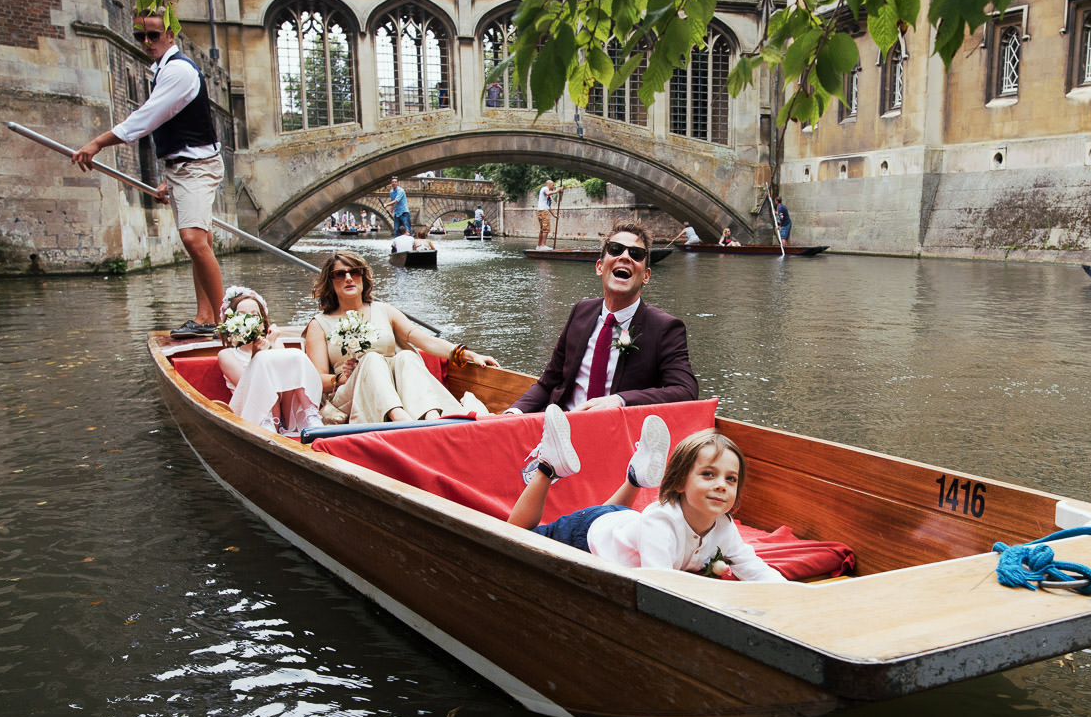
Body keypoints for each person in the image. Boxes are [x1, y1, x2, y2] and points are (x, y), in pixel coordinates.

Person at [73, 11, 224, 339]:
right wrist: (170, 180)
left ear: (170, 34)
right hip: (184, 168)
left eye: (153, 35)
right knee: (201, 242)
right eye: (141, 36)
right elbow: (177, 128)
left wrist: (97, 143)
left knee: (194, 240)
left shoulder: (179, 71)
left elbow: (145, 119)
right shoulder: (164, 71)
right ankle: (206, 317)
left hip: (197, 168)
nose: (146, 42)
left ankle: (227, 325)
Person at [508, 407, 786, 581]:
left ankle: (635, 476)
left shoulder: (723, 526)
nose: (722, 485)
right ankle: (548, 465)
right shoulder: (661, 522)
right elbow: (660, 585)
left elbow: (753, 567)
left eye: (731, 479)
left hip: (624, 519)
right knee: (513, 538)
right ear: (678, 482)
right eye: (708, 474)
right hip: (587, 534)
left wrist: (792, 596)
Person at [507, 221, 698, 414]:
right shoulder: (581, 311)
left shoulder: (665, 327)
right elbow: (548, 383)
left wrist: (620, 400)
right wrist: (512, 413)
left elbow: (686, 391)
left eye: (636, 254)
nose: (625, 257)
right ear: (599, 267)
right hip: (562, 426)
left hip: (617, 434)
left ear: (646, 276)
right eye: (616, 249)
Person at [304, 251, 500, 425]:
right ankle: (401, 420)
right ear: (330, 281)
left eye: (354, 272)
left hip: (397, 390)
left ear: (363, 278)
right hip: (349, 395)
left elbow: (425, 340)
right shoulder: (320, 324)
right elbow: (317, 381)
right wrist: (340, 377)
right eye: (340, 274)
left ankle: (430, 417)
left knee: (407, 356)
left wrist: (470, 355)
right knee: (371, 358)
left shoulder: (384, 311)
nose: (348, 278)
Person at [215, 287, 324, 435]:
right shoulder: (226, 355)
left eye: (254, 316)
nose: (249, 321)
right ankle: (265, 420)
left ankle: (310, 415)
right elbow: (248, 386)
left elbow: (286, 383)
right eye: (242, 316)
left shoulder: (276, 343)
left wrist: (272, 344)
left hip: (280, 411)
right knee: (262, 358)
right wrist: (257, 354)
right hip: (249, 415)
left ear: (262, 321)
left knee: (296, 355)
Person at [536, 179, 568, 249]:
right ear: (549, 184)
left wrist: (554, 215)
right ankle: (543, 246)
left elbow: (548, 206)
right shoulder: (545, 188)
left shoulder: (548, 197)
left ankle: (539, 246)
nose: (553, 186)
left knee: (542, 229)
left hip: (542, 211)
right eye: (553, 185)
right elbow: (547, 193)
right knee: (546, 229)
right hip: (543, 211)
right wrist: (557, 191)